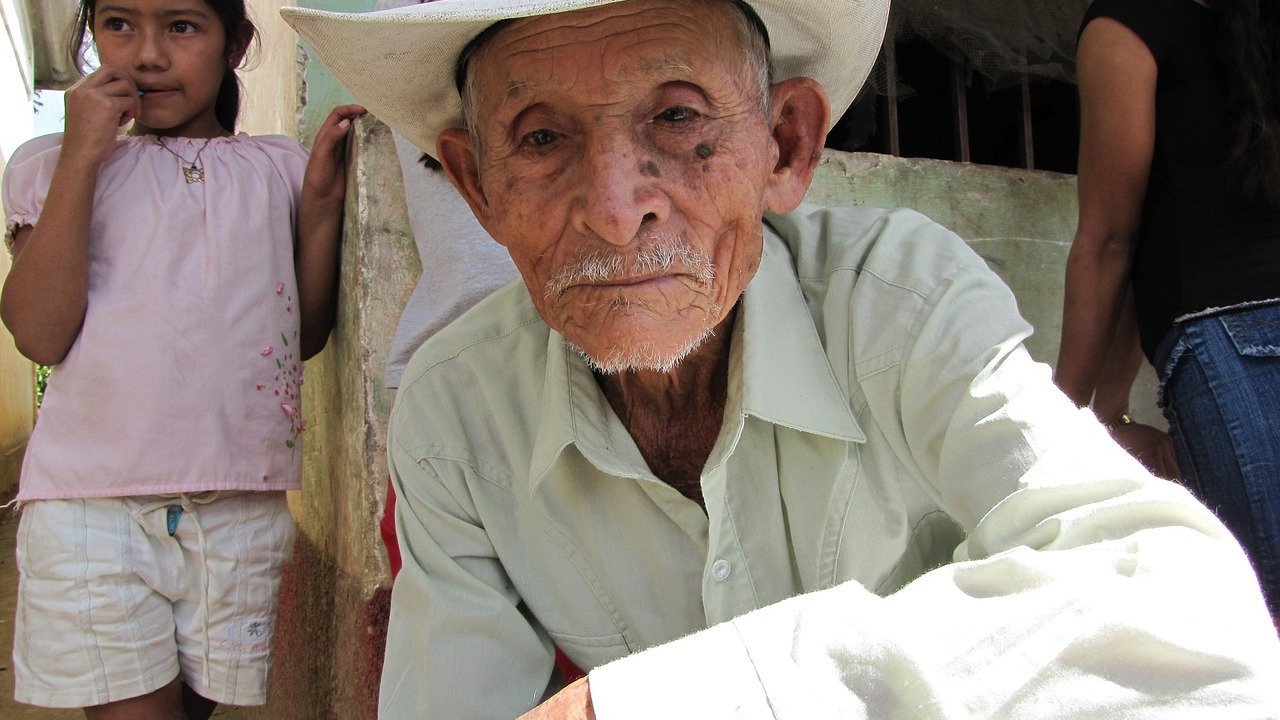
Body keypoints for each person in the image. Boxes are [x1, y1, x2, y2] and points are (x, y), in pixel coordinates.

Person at [284, 0, 1280, 716]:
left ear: (787, 146)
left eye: (676, 118)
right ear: (476, 185)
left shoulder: (897, 304)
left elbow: (1187, 621)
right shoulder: (458, 417)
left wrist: (635, 709)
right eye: (540, 136)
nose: (614, 204)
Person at [0, 0, 364, 716]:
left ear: (236, 43)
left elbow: (305, 334)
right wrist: (80, 155)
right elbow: (40, 336)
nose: (147, 55)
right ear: (90, 38)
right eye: (119, 25)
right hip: (92, 512)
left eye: (182, 26)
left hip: (238, 508)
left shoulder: (277, 168)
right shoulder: (48, 164)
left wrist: (319, 204)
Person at [1057, 0, 1280, 621]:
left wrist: (1060, 427)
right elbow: (1152, 241)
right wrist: (1109, 410)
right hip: (1234, 336)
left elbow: (1110, 241)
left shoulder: (1127, 22)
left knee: (1264, 633)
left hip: (1234, 346)